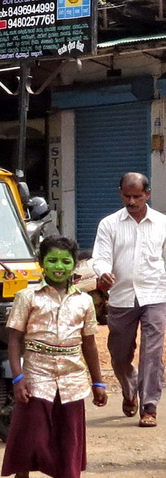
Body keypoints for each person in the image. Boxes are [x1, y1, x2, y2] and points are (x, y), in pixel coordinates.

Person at [1, 234, 107, 478]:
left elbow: (89, 345)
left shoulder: (84, 302)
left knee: (69, 443)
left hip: (73, 380)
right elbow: (14, 339)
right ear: (41, 263)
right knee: (31, 434)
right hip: (36, 375)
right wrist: (18, 377)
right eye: (52, 260)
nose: (58, 266)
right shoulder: (27, 297)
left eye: (65, 261)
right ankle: (21, 474)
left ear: (74, 265)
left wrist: (98, 382)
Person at [92, 172, 166, 427]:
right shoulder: (109, 224)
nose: (132, 201)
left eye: (137, 196)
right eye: (127, 196)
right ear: (120, 193)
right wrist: (103, 272)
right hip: (122, 296)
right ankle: (129, 387)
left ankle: (149, 406)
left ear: (148, 194)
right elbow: (99, 257)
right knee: (120, 354)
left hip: (156, 294)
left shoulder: (162, 224)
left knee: (153, 351)